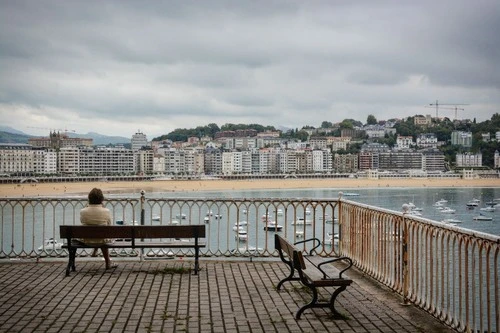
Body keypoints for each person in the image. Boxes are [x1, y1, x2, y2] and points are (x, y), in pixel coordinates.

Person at [80, 188, 117, 269]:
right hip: (102, 240)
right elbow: (109, 226)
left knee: (96, 233)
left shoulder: (83, 211)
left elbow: (83, 222)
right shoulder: (106, 211)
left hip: (87, 240)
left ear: (89, 199)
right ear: (102, 199)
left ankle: (95, 251)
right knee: (102, 235)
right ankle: (108, 262)